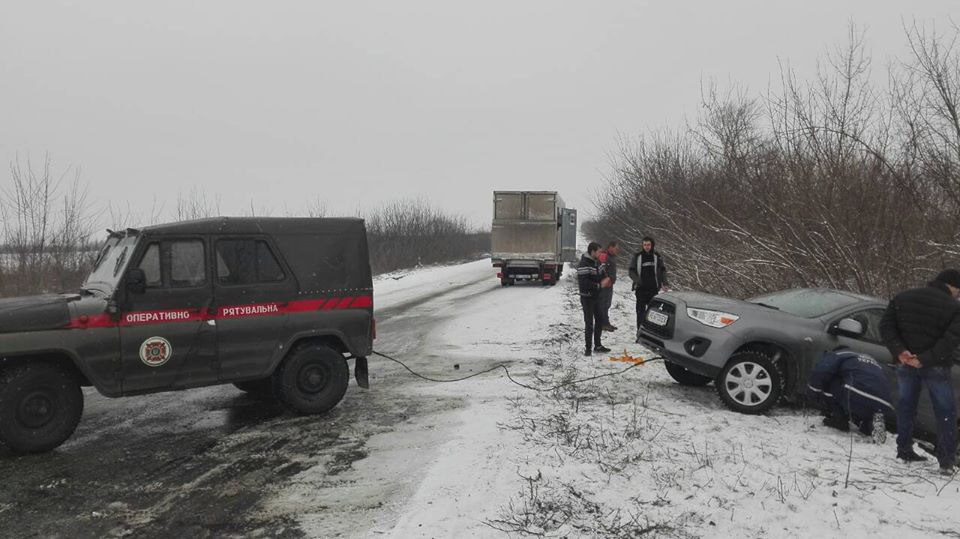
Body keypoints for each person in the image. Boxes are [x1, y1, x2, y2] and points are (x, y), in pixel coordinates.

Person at [879, 269, 960, 475]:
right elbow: (950, 341)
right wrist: (924, 359)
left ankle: (904, 449)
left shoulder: (902, 298)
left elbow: (886, 326)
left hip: (905, 363)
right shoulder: (954, 308)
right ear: (951, 286)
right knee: (945, 412)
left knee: (906, 406)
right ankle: (946, 461)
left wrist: (900, 352)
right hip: (936, 366)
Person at [807, 347, 895, 444]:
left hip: (857, 394)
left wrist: (813, 391)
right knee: (864, 404)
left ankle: (839, 419)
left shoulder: (840, 354)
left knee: (830, 380)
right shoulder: (871, 361)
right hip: (885, 403)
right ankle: (869, 423)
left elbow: (822, 371)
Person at [628, 236, 668, 341]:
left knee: (653, 313)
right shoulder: (637, 256)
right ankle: (640, 334)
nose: (646, 247)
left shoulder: (657, 256)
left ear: (652, 245)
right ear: (642, 245)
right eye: (644, 245)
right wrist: (637, 280)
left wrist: (665, 282)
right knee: (640, 312)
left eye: (648, 245)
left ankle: (651, 334)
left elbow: (663, 270)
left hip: (653, 289)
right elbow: (631, 271)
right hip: (641, 289)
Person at [577, 242, 611, 356]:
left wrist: (605, 277)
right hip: (587, 298)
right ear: (593, 251)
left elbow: (600, 276)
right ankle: (588, 349)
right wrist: (599, 285)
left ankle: (598, 345)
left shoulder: (597, 262)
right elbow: (584, 283)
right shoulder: (583, 264)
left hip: (597, 296)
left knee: (600, 320)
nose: (601, 254)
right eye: (599, 251)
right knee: (589, 323)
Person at [599, 241, 621, 332]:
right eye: (616, 248)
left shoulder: (612, 257)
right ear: (610, 247)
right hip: (604, 285)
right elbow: (601, 269)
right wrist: (607, 279)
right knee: (603, 304)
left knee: (607, 304)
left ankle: (606, 323)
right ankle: (603, 324)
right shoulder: (604, 255)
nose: (617, 250)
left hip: (609, 284)